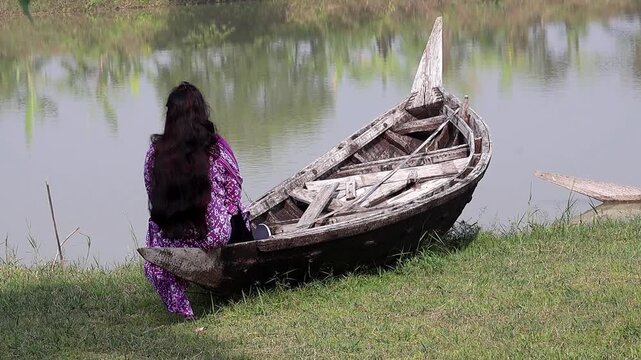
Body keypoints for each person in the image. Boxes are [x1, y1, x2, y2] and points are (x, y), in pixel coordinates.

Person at [143, 81, 253, 319]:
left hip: (170, 237)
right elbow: (234, 198)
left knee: (155, 226)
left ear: (170, 116)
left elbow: (152, 193)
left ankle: (180, 298)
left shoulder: (154, 153)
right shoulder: (216, 150)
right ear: (201, 114)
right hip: (214, 237)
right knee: (241, 222)